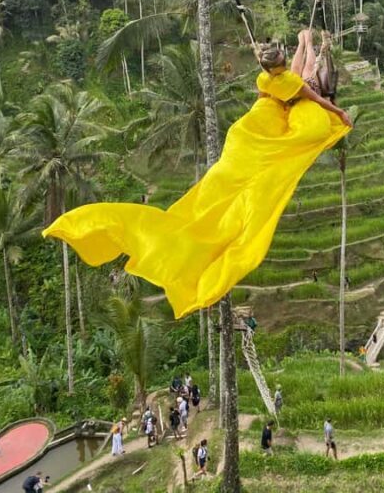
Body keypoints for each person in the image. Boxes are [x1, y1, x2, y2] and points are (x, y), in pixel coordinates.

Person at [43, 36, 352, 318]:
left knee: (227, 175)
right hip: (288, 109)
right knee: (306, 87)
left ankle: (304, 41)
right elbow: (314, 95)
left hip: (252, 126)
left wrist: (290, 81)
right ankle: (306, 41)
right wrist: (340, 114)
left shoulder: (264, 77)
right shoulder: (294, 84)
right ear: (280, 64)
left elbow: (272, 90)